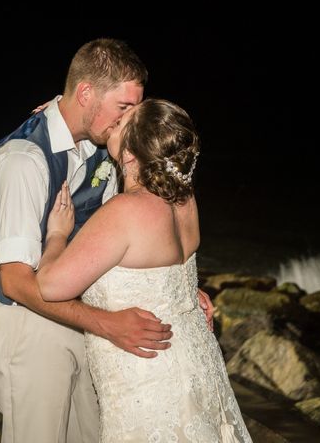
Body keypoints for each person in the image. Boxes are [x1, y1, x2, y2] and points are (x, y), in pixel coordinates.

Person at [0, 38, 215, 443]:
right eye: (125, 108)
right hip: (34, 328)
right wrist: (107, 324)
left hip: (90, 323)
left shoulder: (106, 143)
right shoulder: (23, 161)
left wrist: (178, 292)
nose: (131, 120)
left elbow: (140, 239)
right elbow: (16, 281)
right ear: (86, 93)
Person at [37, 98, 253, 442]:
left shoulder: (124, 212)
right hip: (196, 366)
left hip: (148, 382)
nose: (116, 120)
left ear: (130, 154)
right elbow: (164, 276)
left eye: (123, 122)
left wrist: (57, 235)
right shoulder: (185, 200)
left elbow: (49, 286)